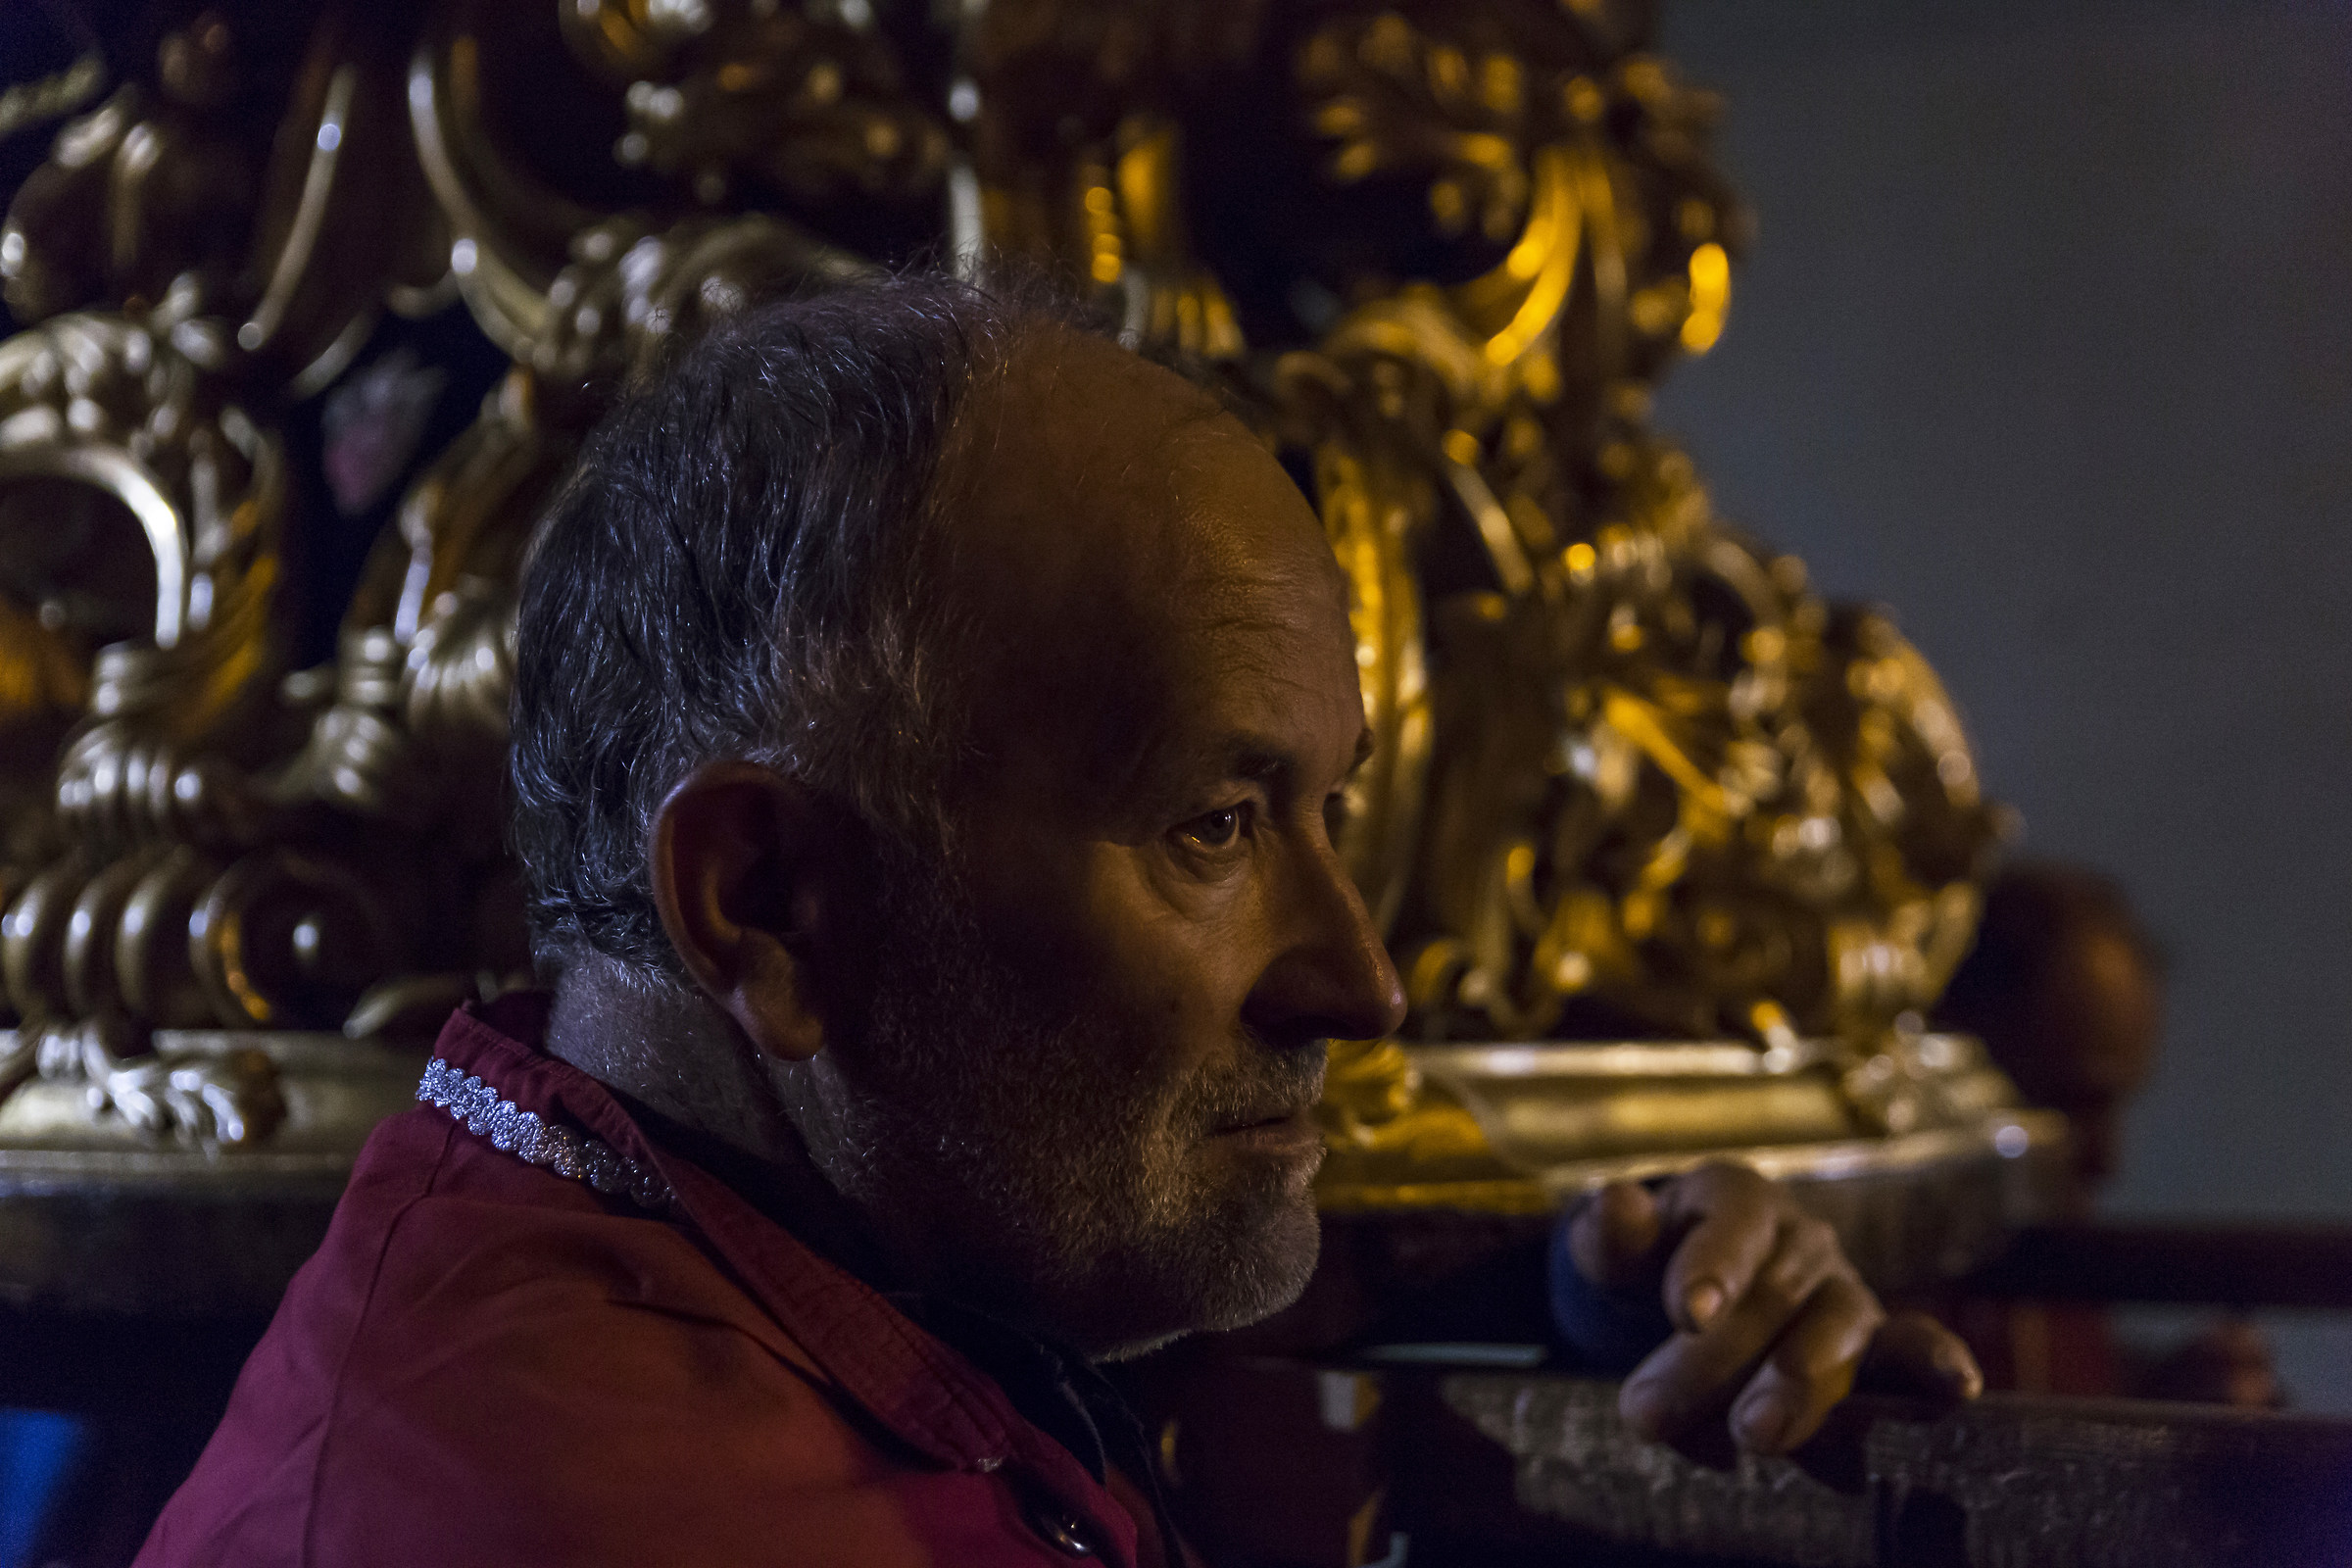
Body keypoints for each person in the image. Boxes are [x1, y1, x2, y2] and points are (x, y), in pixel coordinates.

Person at [135, 276, 1980, 1567]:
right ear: (767, 905)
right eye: (1216, 826)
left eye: (1326, 811)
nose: (1363, 982)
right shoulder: (565, 1513)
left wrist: (1592, 1294)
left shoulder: (750, 1231)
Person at [1932, 860, 2279, 1405]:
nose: (2105, 1160)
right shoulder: (1921, 1265)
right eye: (2068, 1105)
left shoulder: (2049, 1233)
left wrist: (2162, 1400)